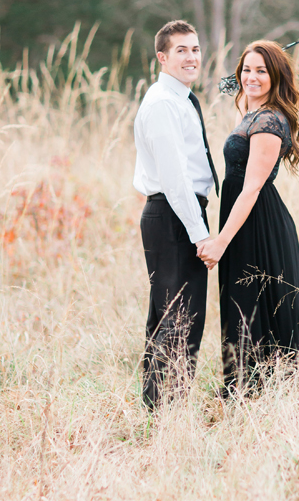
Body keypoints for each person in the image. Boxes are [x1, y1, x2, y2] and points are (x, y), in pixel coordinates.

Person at [195, 40, 299, 394]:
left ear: (276, 76)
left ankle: (269, 389)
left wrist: (220, 241)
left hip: (258, 222)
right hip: (243, 219)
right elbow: (241, 114)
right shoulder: (252, 112)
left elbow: (250, 188)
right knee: (244, 301)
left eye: (262, 71)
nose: (252, 76)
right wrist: (242, 85)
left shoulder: (268, 121)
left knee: (259, 302)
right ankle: (248, 388)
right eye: (246, 69)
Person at [133, 20, 219, 408]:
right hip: (171, 215)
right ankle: (166, 408)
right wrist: (201, 234)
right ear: (162, 57)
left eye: (195, 49)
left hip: (175, 213)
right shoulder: (163, 104)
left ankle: (161, 405)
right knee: (179, 316)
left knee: (173, 314)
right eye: (181, 50)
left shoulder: (181, 98)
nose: (191, 57)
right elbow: (175, 179)